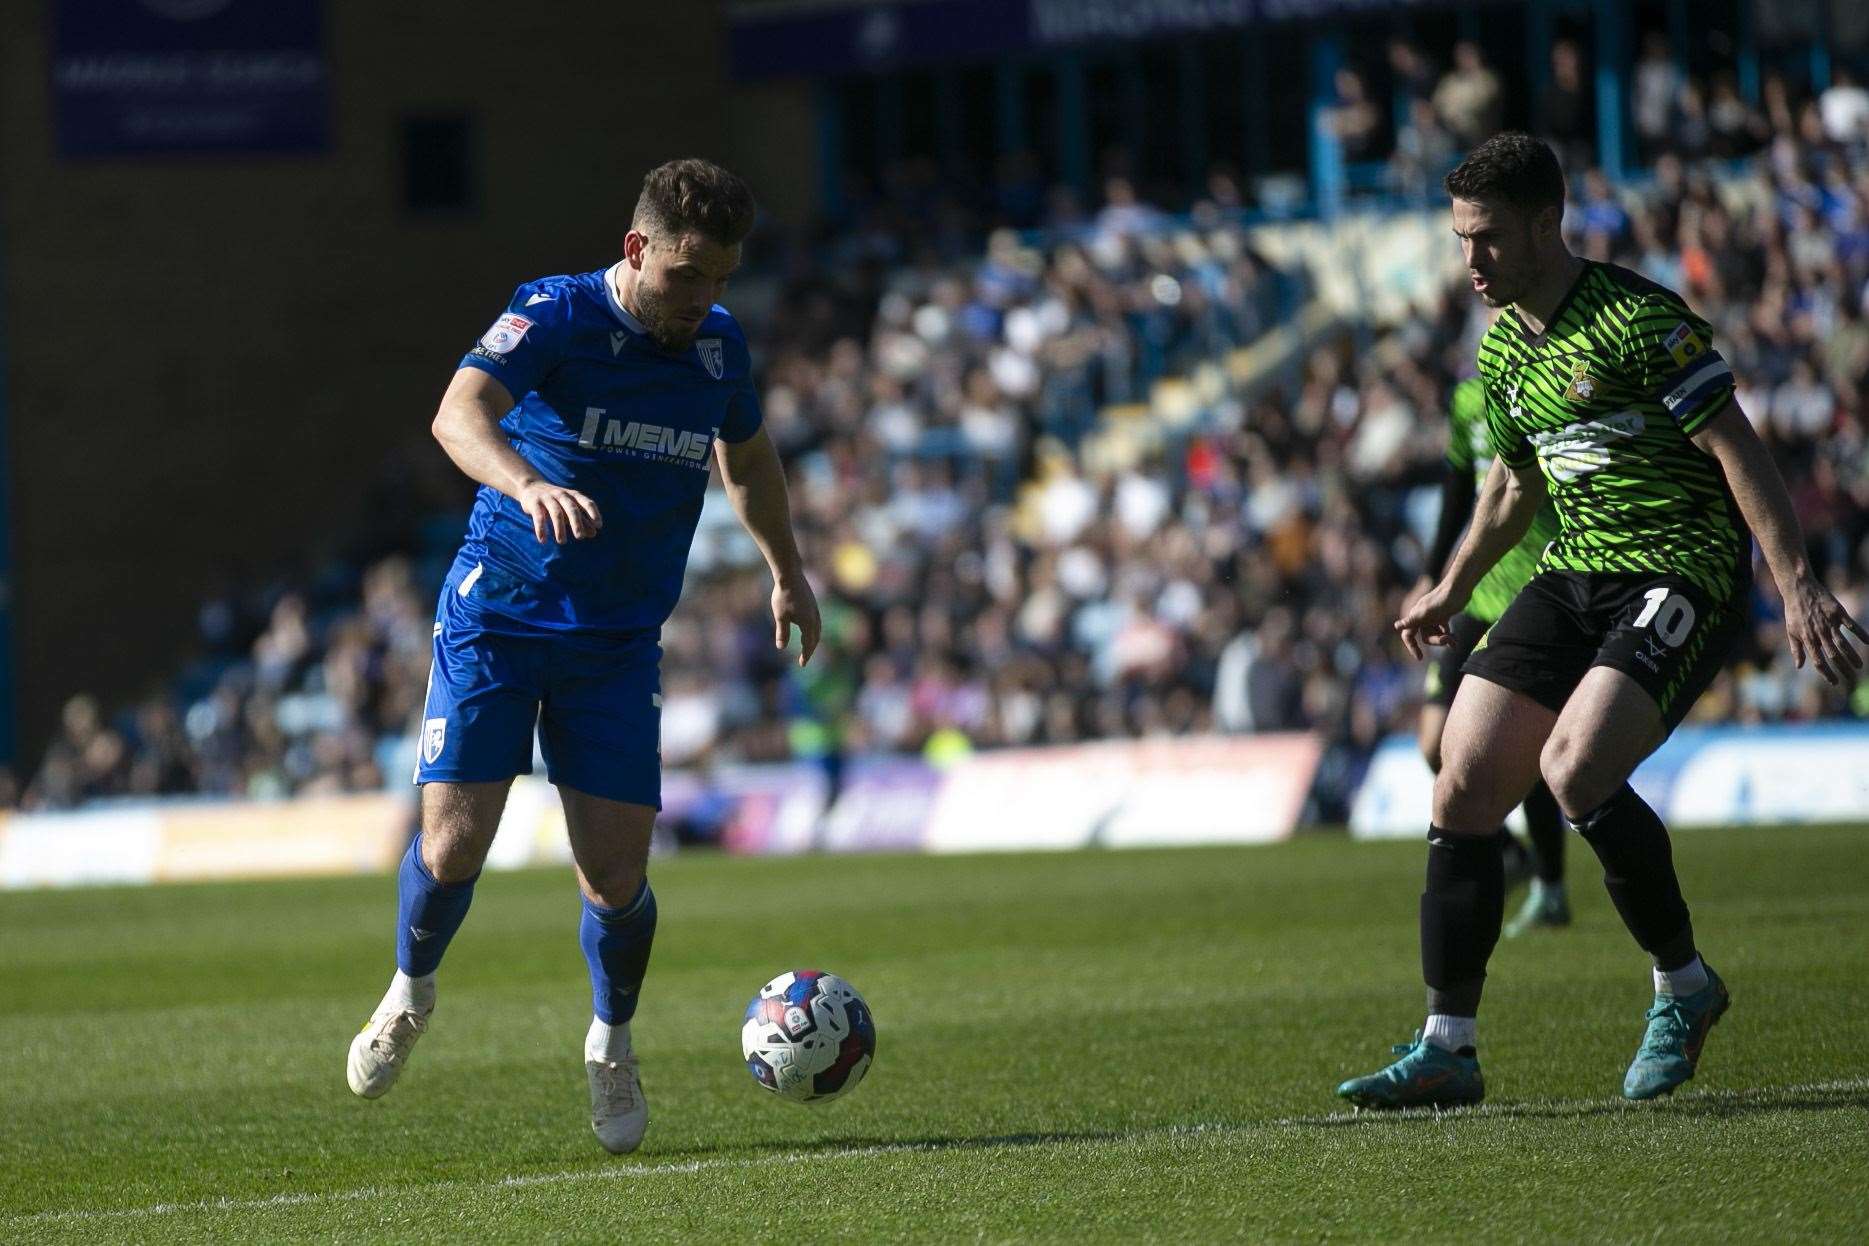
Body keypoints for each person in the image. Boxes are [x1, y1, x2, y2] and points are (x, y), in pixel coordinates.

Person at [1338, 134, 1865, 1109]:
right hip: (1573, 572)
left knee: (1574, 767)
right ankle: (1448, 1046)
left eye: (1488, 238)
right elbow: (1509, 486)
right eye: (1461, 239)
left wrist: (1794, 583)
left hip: (1682, 572)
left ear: (1548, 223)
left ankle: (1684, 987)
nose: (1471, 261)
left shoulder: (1636, 321)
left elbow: (1737, 448)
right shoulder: (1502, 351)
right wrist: (1452, 587)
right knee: (1461, 780)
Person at [344, 159, 822, 1154]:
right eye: (689, 276)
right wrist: (525, 485)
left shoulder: (718, 350)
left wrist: (787, 568)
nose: (705, 300)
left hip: (614, 643)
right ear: (638, 250)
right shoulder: (554, 315)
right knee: (451, 847)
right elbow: (457, 414)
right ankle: (410, 987)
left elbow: (748, 458)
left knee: (615, 874)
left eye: (724, 279)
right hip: (502, 616)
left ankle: (610, 1043)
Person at [1412, 375, 1569, 937]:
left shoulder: (1546, 384)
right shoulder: (1466, 398)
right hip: (1478, 592)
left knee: (1530, 751)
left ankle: (1551, 887)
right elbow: (1458, 488)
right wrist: (1434, 574)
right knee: (1434, 745)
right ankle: (1514, 852)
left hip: (1536, 589)